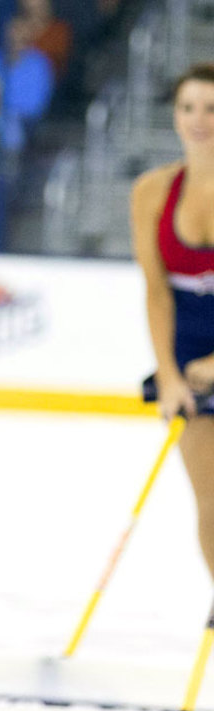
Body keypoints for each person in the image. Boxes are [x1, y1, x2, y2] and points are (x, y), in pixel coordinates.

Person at [129, 63, 214, 580]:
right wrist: (168, 372)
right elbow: (156, 291)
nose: (199, 118)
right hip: (189, 355)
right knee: (209, 496)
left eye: (211, 108)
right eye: (189, 107)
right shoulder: (152, 191)